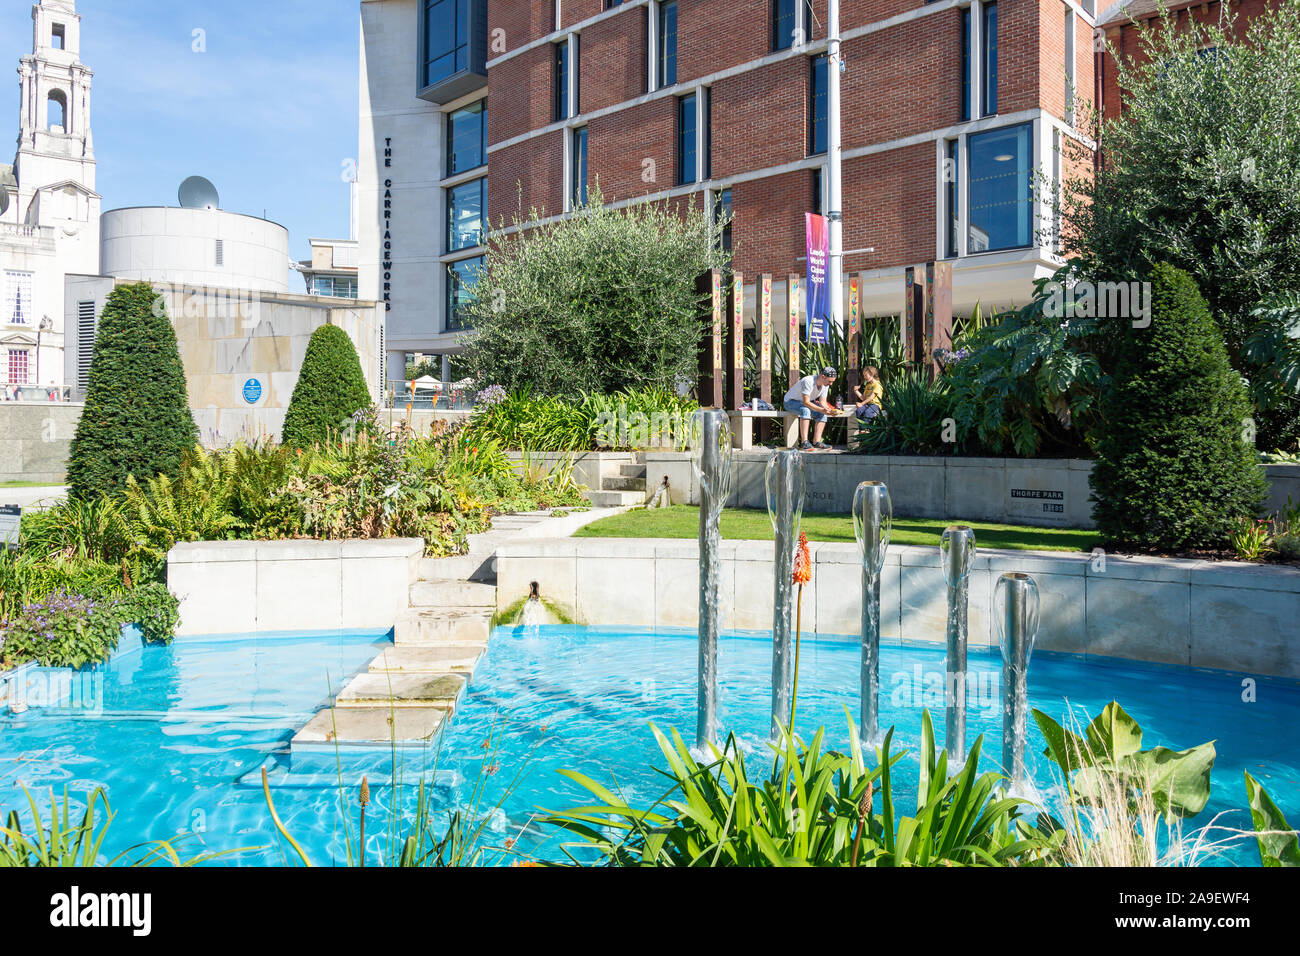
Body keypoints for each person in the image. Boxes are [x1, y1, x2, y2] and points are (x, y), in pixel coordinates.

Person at [784, 366, 840, 450]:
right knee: (805, 410)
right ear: (823, 377)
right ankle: (804, 442)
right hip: (790, 402)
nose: (831, 384)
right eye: (830, 381)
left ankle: (817, 442)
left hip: (804, 403)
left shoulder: (825, 384)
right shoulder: (808, 381)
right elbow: (806, 402)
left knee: (822, 414)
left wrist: (829, 410)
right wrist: (822, 409)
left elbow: (822, 402)